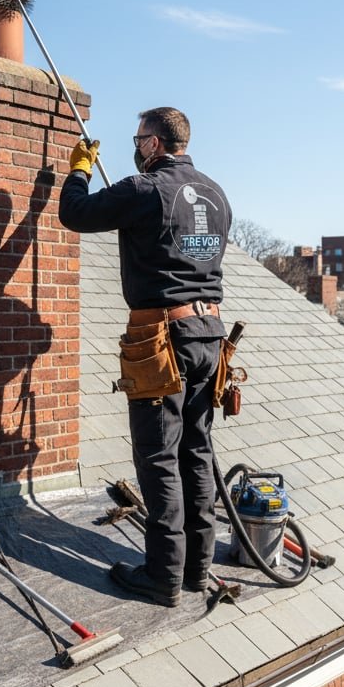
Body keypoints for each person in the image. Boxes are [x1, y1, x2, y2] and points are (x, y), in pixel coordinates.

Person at [59, 107, 232, 607]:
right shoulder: (216, 194)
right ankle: (196, 569)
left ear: (154, 143)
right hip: (209, 336)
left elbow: (76, 214)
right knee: (196, 451)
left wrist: (79, 170)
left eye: (139, 139)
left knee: (158, 456)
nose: (135, 147)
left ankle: (163, 576)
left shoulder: (144, 188)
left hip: (162, 338)